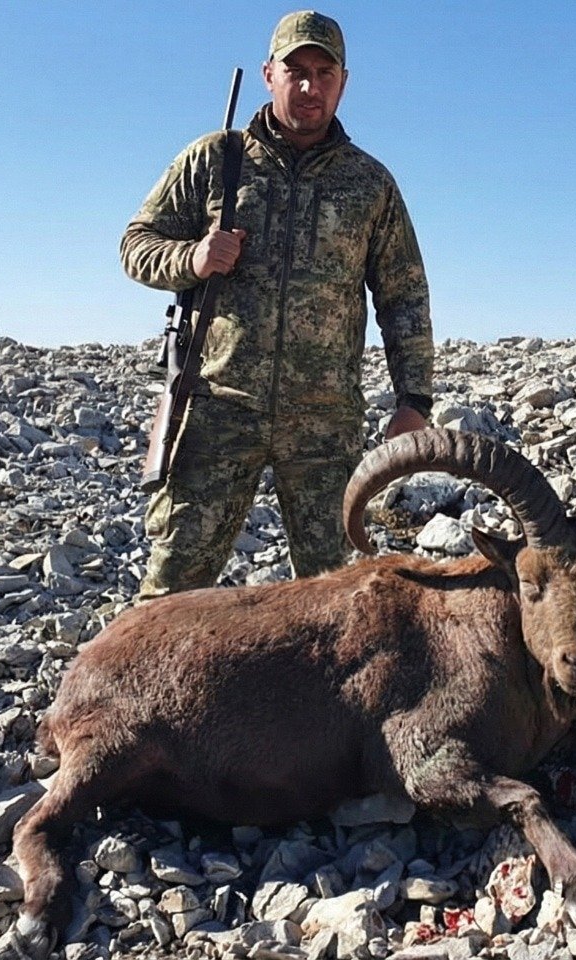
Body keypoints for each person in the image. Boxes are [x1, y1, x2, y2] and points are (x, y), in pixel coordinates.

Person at [121, 10, 433, 599]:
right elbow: (135, 245)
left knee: (335, 597)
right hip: (216, 408)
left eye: (324, 72)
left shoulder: (371, 184)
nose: (310, 86)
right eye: (296, 71)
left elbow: (404, 295)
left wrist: (413, 400)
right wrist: (191, 258)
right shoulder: (215, 159)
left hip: (325, 423)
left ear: (344, 81)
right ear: (269, 74)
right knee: (172, 591)